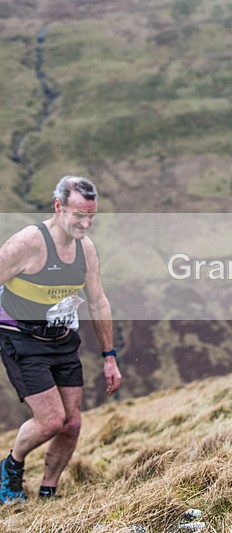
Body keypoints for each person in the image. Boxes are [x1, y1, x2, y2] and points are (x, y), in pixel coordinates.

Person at [0, 176, 121, 503]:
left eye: (91, 217)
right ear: (58, 207)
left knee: (71, 424)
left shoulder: (86, 249)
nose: (85, 224)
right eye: (78, 215)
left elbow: (97, 301)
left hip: (61, 338)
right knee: (51, 420)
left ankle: (48, 490)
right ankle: (10, 468)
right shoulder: (28, 243)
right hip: (20, 337)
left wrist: (109, 357)